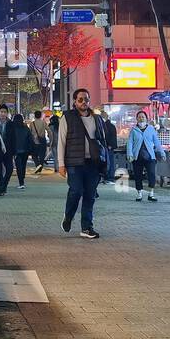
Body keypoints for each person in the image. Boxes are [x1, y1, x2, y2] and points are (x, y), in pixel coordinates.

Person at [57, 88, 104, 239]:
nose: (84, 102)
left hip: (93, 162)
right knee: (76, 191)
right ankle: (68, 216)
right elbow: (61, 141)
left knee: (90, 195)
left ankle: (87, 227)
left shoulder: (96, 118)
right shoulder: (68, 117)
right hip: (74, 162)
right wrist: (61, 164)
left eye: (86, 99)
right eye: (80, 99)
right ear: (75, 102)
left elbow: (102, 140)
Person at [126, 109, 163, 202]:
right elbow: (130, 143)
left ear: (146, 118)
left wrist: (161, 152)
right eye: (139, 117)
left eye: (143, 117)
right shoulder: (134, 130)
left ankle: (151, 193)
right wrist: (129, 154)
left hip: (150, 156)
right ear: (136, 119)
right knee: (138, 175)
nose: (141, 119)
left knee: (151, 174)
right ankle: (139, 194)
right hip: (137, 156)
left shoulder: (151, 129)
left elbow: (156, 142)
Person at [6, 112, 34, 190]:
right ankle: (22, 181)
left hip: (16, 150)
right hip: (25, 150)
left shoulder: (12, 128)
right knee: (23, 165)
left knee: (18, 167)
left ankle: (21, 182)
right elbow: (30, 139)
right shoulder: (26, 128)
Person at [0, 104, 13, 195]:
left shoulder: (11, 124)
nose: (3, 114)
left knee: (10, 169)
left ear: (7, 113)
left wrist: (14, 151)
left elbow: (14, 138)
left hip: (8, 150)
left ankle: (4, 185)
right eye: (1, 112)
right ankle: (1, 189)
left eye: (5, 112)